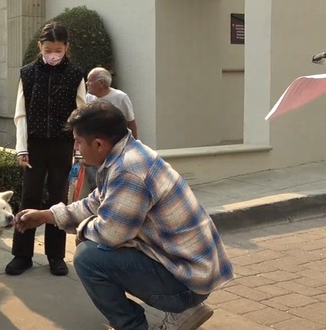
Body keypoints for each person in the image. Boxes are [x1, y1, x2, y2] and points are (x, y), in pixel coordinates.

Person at [14, 101, 233, 330]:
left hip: (187, 281)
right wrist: (48, 215)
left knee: (89, 258)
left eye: (78, 142)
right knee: (97, 244)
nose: (76, 149)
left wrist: (82, 231)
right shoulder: (127, 153)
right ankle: (185, 309)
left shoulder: (129, 170)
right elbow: (96, 203)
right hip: (192, 270)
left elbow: (110, 234)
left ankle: (134, 325)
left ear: (98, 144)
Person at [8, 22, 86, 277]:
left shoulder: (75, 74)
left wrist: (79, 146)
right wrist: (21, 148)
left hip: (62, 145)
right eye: (49, 48)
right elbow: (21, 113)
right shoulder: (28, 73)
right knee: (28, 197)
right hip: (35, 145)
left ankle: (56, 256)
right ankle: (22, 254)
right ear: (40, 46)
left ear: (66, 48)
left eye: (59, 49)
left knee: (58, 200)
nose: (53, 54)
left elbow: (81, 112)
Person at [86, 67, 138, 139]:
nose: (87, 83)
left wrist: (135, 144)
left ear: (101, 83)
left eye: (90, 81)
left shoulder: (121, 97)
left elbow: (131, 122)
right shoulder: (88, 97)